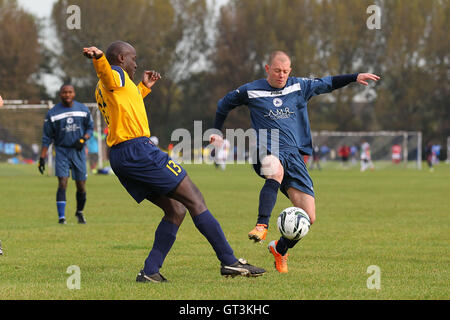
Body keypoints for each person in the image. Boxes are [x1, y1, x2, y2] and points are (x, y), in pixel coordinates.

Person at [83, 41, 265, 283]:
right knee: (195, 199)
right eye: (132, 58)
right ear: (120, 59)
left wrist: (144, 88)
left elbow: (126, 104)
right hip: (138, 150)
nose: (136, 64)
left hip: (121, 156)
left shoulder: (113, 86)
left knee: (175, 209)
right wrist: (98, 58)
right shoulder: (113, 72)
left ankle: (150, 271)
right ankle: (229, 261)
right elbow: (107, 73)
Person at [210, 51, 380, 273]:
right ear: (267, 68)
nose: (281, 75)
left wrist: (354, 76)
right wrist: (216, 131)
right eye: (277, 70)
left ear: (290, 71)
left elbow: (327, 83)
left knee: (309, 216)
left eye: (285, 71)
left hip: (294, 155)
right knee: (275, 170)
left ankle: (279, 249)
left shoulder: (299, 86)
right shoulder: (251, 90)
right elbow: (223, 104)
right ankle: (262, 224)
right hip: (266, 150)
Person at [38, 84, 94, 225]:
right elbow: (47, 137)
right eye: (64, 92)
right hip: (62, 151)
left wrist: (84, 139)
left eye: (70, 92)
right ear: (60, 94)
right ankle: (61, 218)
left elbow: (90, 128)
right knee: (62, 183)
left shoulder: (83, 109)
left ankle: (79, 212)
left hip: (78, 152)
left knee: (81, 185)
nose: (67, 95)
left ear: (74, 94)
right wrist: (42, 158)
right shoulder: (53, 113)